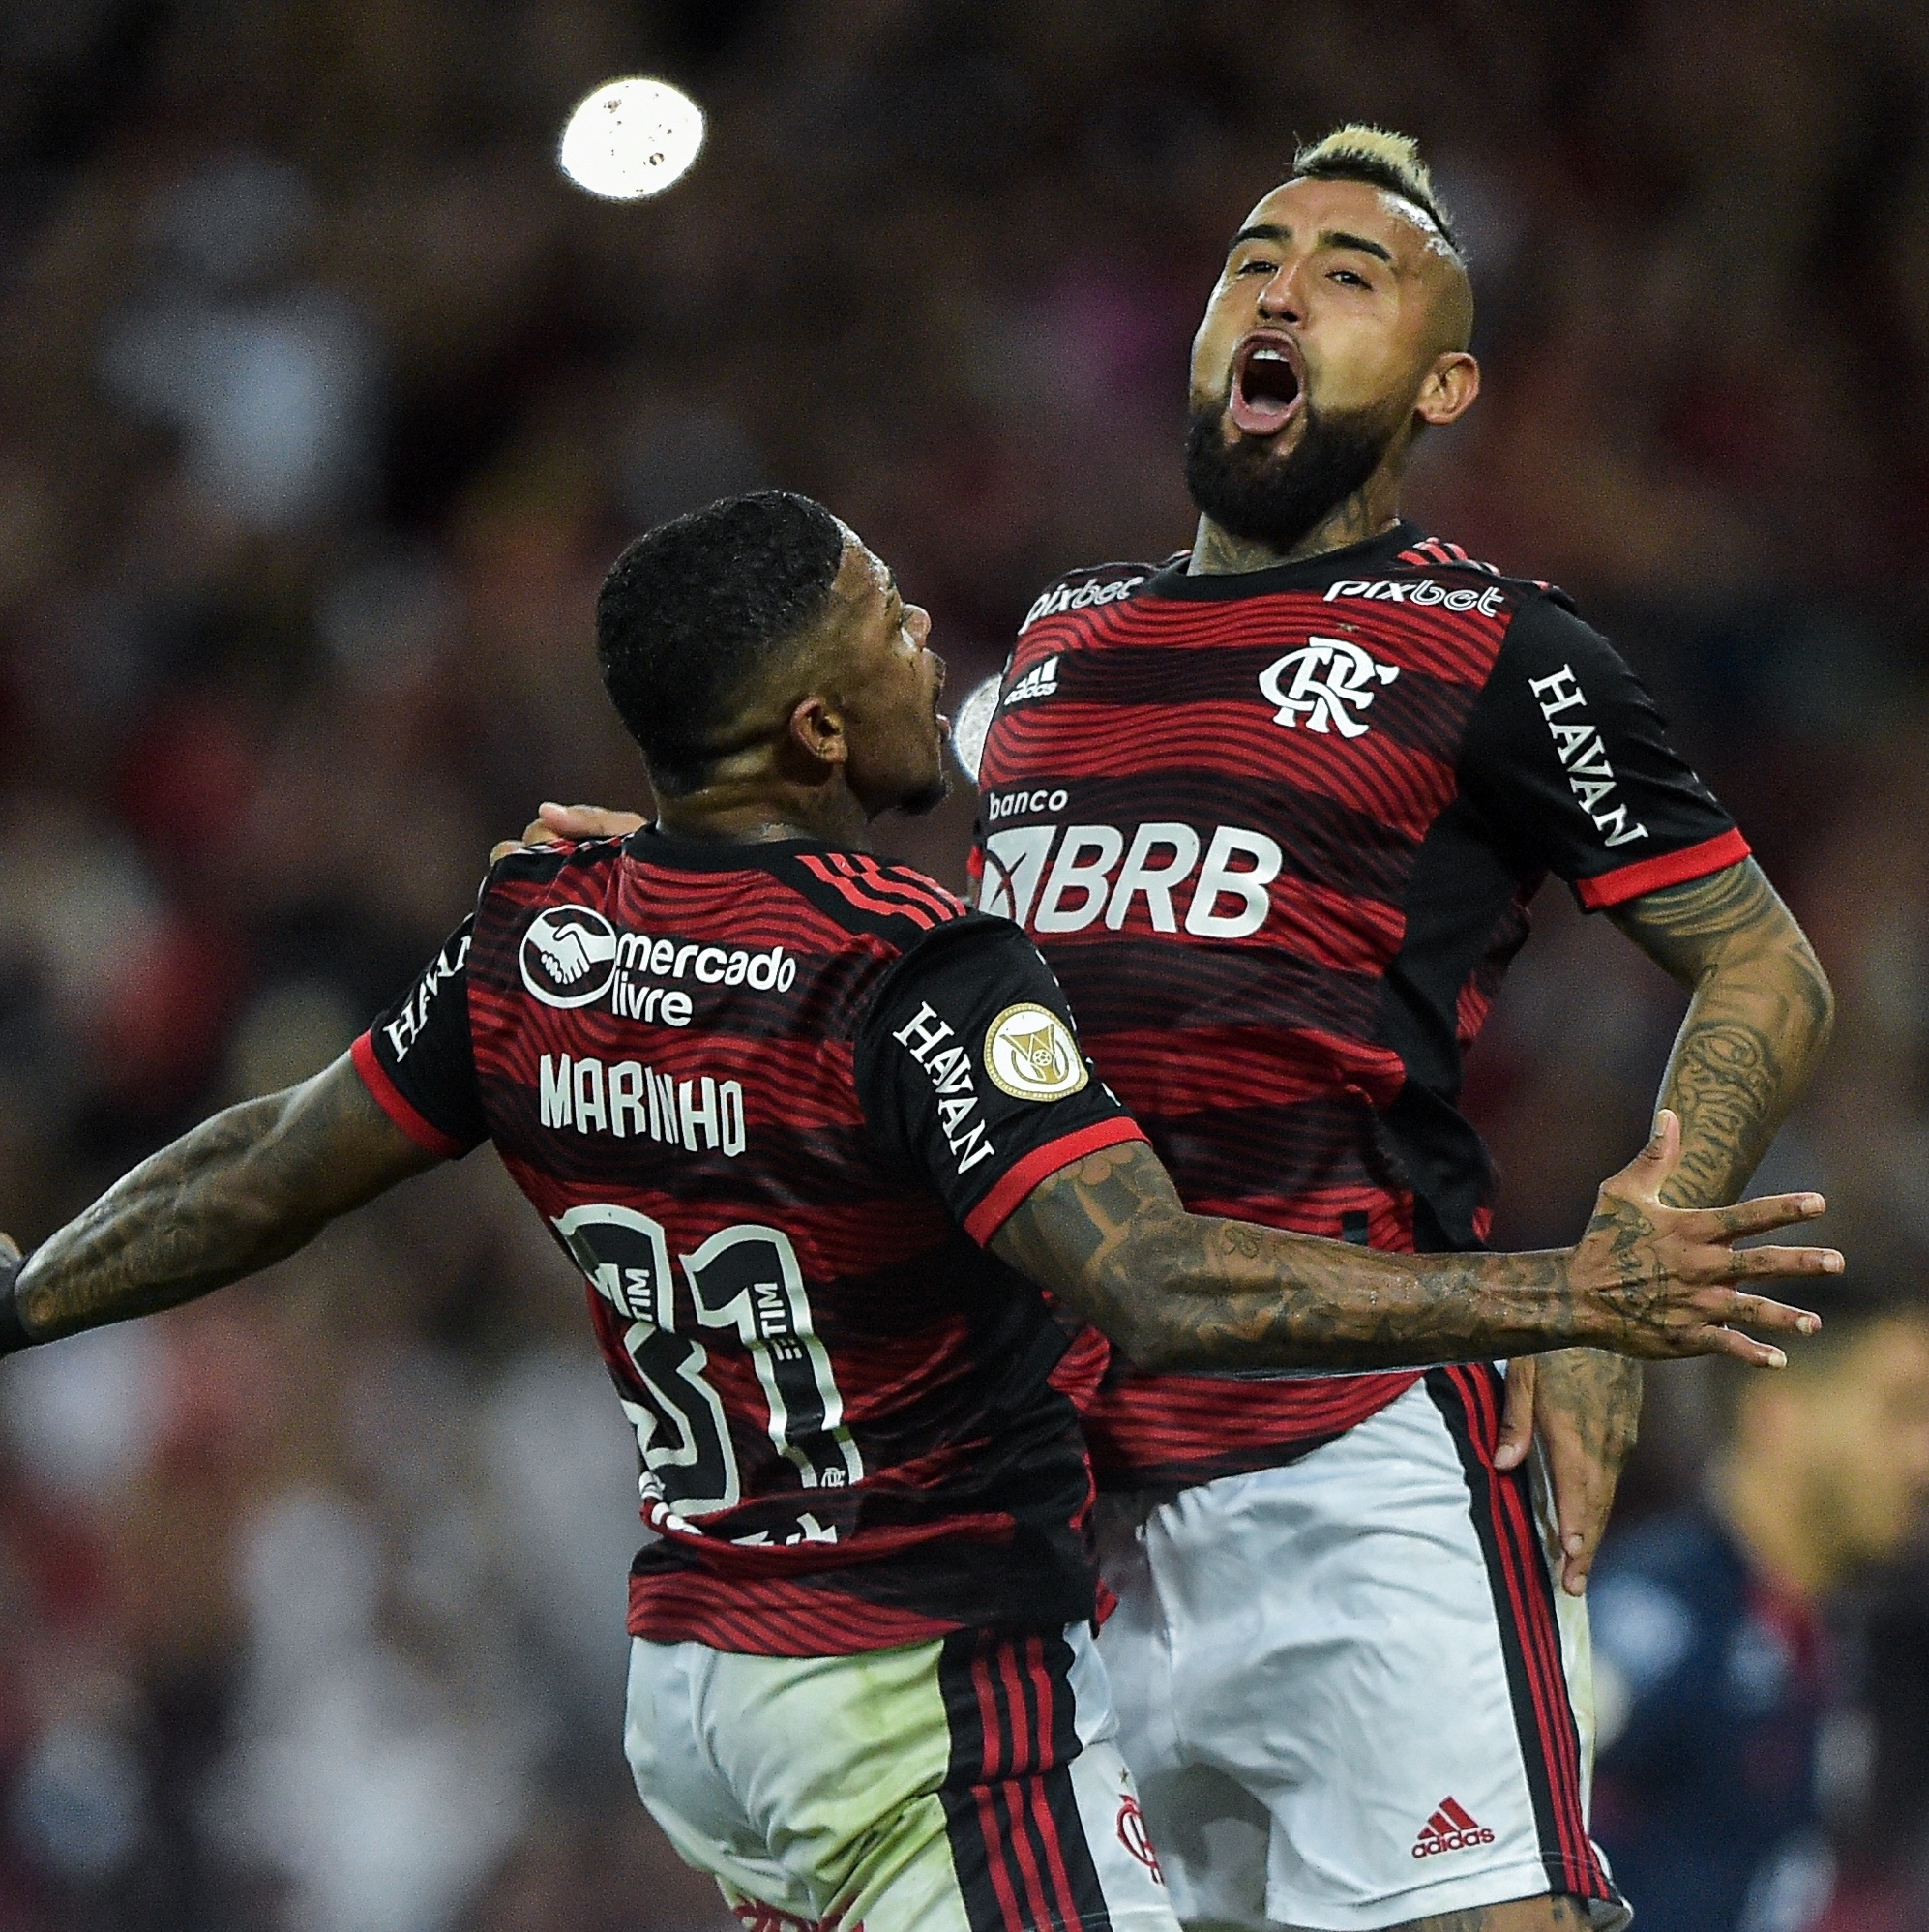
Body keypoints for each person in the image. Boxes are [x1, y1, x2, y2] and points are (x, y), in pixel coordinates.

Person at [0, 493, 1836, 1932]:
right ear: (812, 720)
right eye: (887, 621)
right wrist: (1559, 1294)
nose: (922, 643)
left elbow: (259, 1167)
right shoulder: (910, 978)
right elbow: (1160, 1284)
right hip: (918, 1695)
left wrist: (31, 1292)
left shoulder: (530, 935)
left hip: (701, 1684)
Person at [525, 127, 1838, 1931]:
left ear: (1442, 381)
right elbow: (847, 805)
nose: (1279, 285)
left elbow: (1763, 967)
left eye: (1348, 271)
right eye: (1249, 258)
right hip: (1056, 1528)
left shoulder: (1497, 652)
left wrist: (1620, 1261)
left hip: (1356, 1473)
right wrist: (672, 840)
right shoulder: (1059, 647)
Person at [1588, 1287, 1929, 1932]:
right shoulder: (1657, 1618)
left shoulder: (1830, 1636)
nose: (1924, 1459)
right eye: (1901, 1411)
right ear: (1776, 1412)